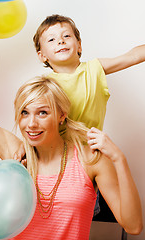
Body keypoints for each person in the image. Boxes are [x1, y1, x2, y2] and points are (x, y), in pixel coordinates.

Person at [0, 5, 143, 239]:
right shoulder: (17, 153)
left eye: (42, 113)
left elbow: (133, 227)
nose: (30, 123)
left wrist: (118, 158)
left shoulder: (92, 159)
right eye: (24, 113)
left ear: (62, 114)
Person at [15, 14, 145, 218]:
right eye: (51, 39)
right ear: (42, 56)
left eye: (66, 36)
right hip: (55, 158)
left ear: (79, 45)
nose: (60, 41)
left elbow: (132, 56)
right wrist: (26, 143)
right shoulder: (45, 84)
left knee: (76, 210)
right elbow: (31, 119)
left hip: (88, 161)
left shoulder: (95, 69)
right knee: (48, 210)